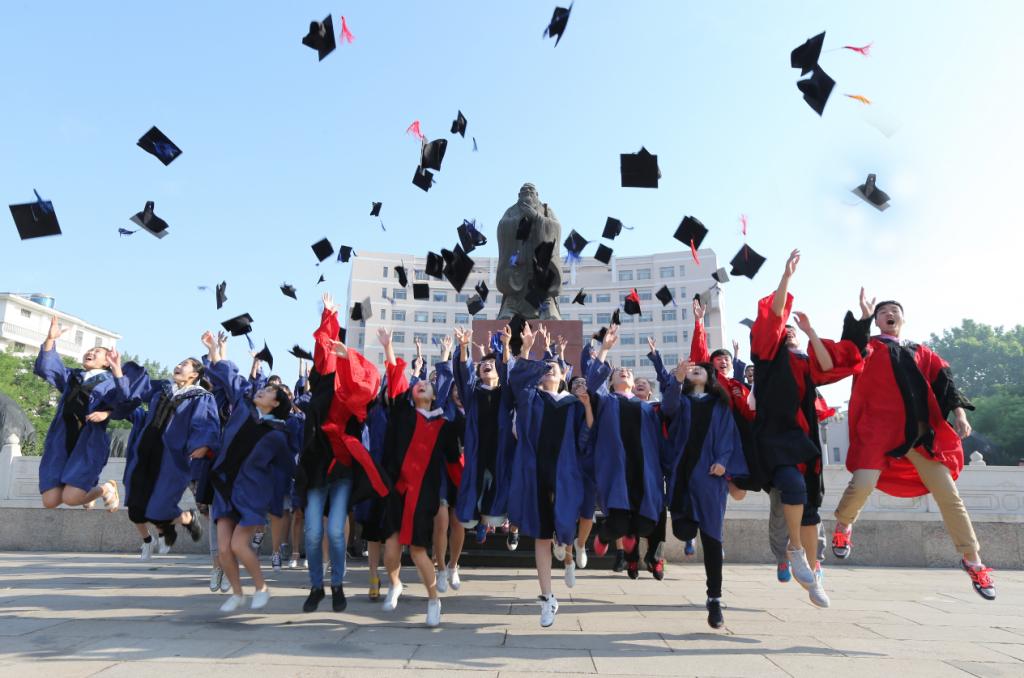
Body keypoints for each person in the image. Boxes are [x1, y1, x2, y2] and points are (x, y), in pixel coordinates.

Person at [831, 291, 996, 600]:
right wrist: (863, 319)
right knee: (862, 484)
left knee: (949, 496)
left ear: (903, 319)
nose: (889, 314)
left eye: (894, 310)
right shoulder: (869, 347)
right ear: (878, 321)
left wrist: (960, 414)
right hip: (879, 432)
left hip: (920, 434)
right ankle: (843, 526)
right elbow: (848, 351)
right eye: (883, 312)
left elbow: (946, 383)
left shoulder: (921, 352)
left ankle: (973, 560)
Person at [748, 249, 855, 609]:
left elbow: (826, 365)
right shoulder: (767, 356)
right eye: (787, 330)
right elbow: (774, 314)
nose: (789, 332)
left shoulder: (803, 360)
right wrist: (786, 278)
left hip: (805, 441)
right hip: (776, 437)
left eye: (792, 331)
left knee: (810, 508)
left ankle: (813, 576)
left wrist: (810, 331)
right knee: (791, 487)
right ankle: (794, 550)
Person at [295, 292, 390, 613]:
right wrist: (329, 315)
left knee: (335, 531)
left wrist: (348, 356)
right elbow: (323, 345)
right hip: (316, 465)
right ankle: (316, 586)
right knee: (312, 533)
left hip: (343, 467)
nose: (331, 355)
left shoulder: (354, 394)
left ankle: (336, 584)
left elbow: (367, 382)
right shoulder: (322, 382)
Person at [508, 322, 593, 628]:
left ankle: (567, 546)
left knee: (564, 528)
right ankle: (547, 597)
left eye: (553, 368)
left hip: (566, 474)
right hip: (536, 474)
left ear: (563, 376)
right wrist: (527, 350)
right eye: (544, 368)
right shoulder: (531, 398)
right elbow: (518, 382)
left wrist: (587, 406)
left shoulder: (572, 405)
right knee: (541, 536)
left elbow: (586, 437)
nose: (547, 371)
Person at [203, 331, 294, 613]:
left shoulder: (277, 434)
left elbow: (286, 469)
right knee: (223, 549)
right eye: (262, 389)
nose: (261, 391)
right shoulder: (243, 406)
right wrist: (215, 350)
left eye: (267, 392)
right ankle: (238, 593)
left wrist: (278, 501)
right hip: (224, 487)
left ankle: (261, 587)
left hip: (251, 494)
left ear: (275, 404)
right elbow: (229, 376)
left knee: (239, 546)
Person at [378, 327, 457, 627]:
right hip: (397, 490)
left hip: (424, 495)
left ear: (435, 396)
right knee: (390, 550)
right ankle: (395, 583)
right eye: (418, 383)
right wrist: (388, 348)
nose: (422, 384)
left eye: (427, 384)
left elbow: (455, 462)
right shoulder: (403, 414)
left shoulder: (443, 425)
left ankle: (434, 599)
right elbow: (395, 382)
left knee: (418, 551)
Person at [662, 360, 748, 628]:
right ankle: (690, 537)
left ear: (710, 376)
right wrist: (676, 380)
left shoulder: (719, 406)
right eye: (691, 369)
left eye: (701, 368)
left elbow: (727, 437)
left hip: (710, 477)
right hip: (682, 476)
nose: (695, 369)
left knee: (712, 539)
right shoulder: (682, 401)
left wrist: (723, 461)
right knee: (683, 530)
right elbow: (667, 409)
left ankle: (714, 599)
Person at [586, 326, 675, 581]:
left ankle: (638, 547)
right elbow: (592, 383)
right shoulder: (606, 401)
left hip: (644, 472)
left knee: (647, 523)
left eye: (628, 372)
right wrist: (604, 349)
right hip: (616, 471)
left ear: (635, 383)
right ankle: (604, 537)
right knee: (618, 523)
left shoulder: (649, 409)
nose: (624, 371)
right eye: (618, 372)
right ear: (611, 381)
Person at [118, 357, 219, 558]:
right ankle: (168, 528)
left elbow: (205, 422)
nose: (178, 365)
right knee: (136, 511)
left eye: (184, 364)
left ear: (194, 375)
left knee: (158, 508)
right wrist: (116, 371)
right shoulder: (162, 389)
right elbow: (137, 388)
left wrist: (203, 444)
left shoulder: (201, 397)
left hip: (170, 457)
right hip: (144, 452)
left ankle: (187, 518)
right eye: (179, 363)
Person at [35, 315, 128, 511]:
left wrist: (107, 412)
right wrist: (50, 339)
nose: (90, 352)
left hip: (88, 440)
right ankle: (87, 493)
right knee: (50, 501)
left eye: (97, 352)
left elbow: (123, 400)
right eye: (90, 350)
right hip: (61, 438)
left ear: (107, 362)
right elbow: (47, 367)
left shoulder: (111, 381)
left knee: (71, 498)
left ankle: (106, 489)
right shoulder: (73, 376)